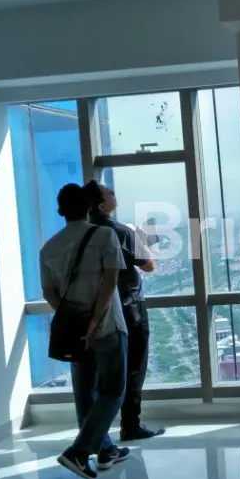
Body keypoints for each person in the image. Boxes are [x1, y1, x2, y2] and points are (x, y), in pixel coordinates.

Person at [40, 183, 132, 479]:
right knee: (112, 390)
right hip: (108, 325)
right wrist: (94, 320)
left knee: (84, 393)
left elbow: (49, 292)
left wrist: (74, 320)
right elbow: (110, 281)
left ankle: (105, 450)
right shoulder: (104, 235)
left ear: (60, 211)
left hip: (74, 330)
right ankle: (79, 452)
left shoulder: (49, 248)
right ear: (89, 208)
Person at [84, 180, 166, 441]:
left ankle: (97, 433)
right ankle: (130, 424)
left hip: (96, 311)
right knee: (134, 368)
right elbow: (148, 266)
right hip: (130, 309)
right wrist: (140, 238)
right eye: (109, 193)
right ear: (102, 205)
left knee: (102, 373)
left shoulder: (84, 234)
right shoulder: (121, 232)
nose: (114, 194)